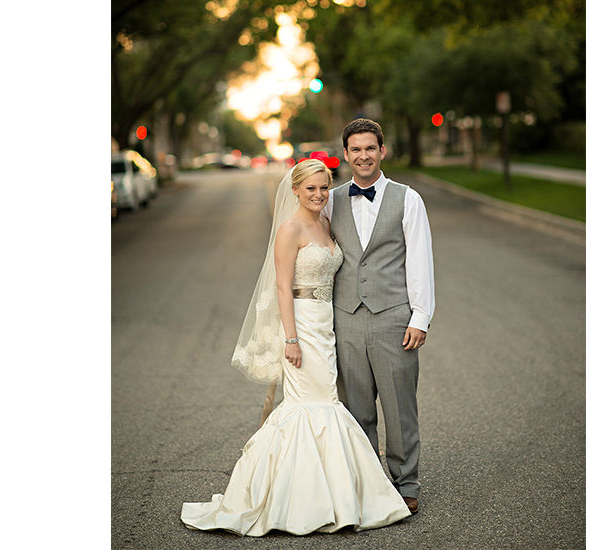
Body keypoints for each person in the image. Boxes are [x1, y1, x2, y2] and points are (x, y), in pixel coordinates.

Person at [181, 159, 411, 536]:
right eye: (311, 189)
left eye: (324, 187)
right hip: (302, 325)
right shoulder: (289, 229)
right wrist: (291, 338)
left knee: (327, 401)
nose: (319, 194)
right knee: (308, 405)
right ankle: (298, 500)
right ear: (295, 191)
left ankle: (334, 496)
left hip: (327, 324)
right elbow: (282, 287)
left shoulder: (325, 223)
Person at [322, 119, 435, 516]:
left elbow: (419, 259)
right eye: (355, 149)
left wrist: (420, 316)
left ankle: (406, 484)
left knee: (400, 408)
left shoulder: (407, 199)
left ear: (382, 151)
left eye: (370, 148)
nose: (363, 156)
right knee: (357, 410)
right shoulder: (331, 200)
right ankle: (370, 485)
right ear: (346, 154)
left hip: (393, 318)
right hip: (346, 318)